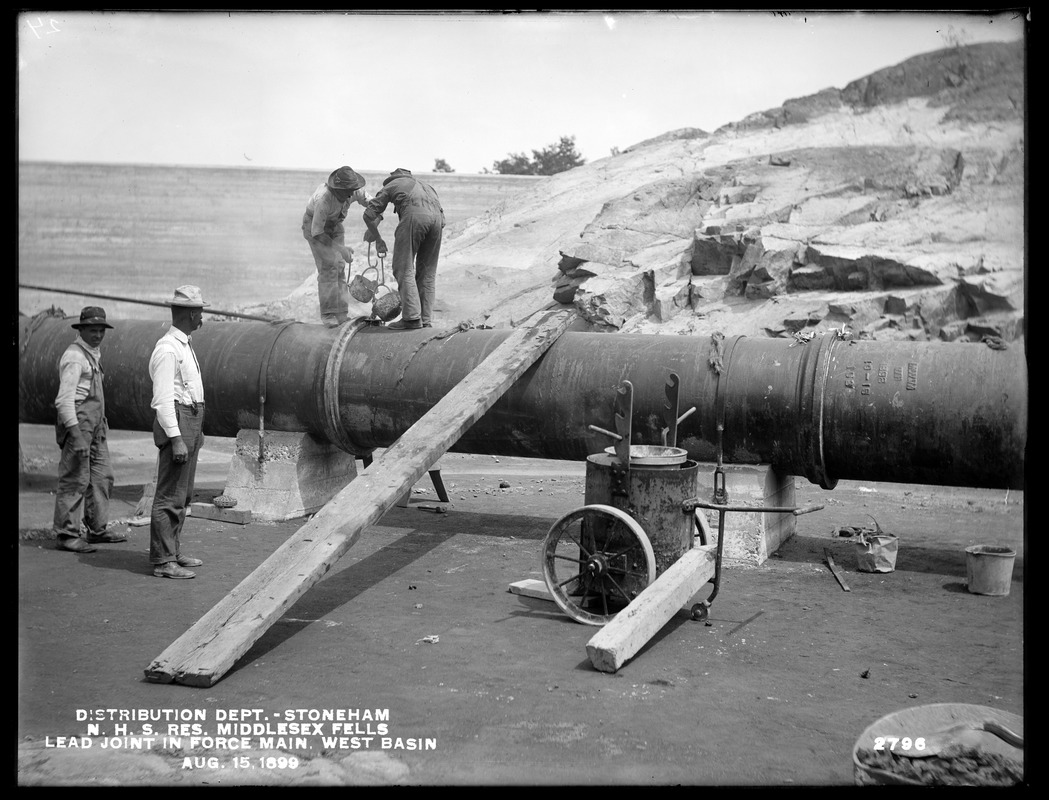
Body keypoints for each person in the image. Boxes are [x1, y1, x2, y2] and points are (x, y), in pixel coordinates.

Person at [148, 285, 209, 579]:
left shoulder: (184, 344)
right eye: (200, 312)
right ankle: (162, 561)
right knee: (169, 496)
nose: (203, 317)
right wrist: (176, 437)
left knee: (182, 496)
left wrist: (196, 433)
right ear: (190, 313)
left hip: (190, 421)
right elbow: (162, 400)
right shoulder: (167, 349)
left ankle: (173, 551)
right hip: (178, 423)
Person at [52, 306, 124, 553]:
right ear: (81, 330)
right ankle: (66, 534)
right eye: (92, 330)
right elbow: (63, 401)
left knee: (102, 477)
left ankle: (97, 529)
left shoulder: (92, 352)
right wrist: (76, 435)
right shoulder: (74, 357)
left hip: (95, 427)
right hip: (78, 427)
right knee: (75, 479)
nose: (98, 334)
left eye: (101, 330)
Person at [362, 168, 446, 329]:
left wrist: (378, 238)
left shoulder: (392, 184)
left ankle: (412, 319)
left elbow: (368, 214)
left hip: (415, 218)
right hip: (437, 223)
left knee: (403, 267)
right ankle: (425, 320)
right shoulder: (427, 187)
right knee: (427, 272)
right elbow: (442, 220)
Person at [302, 166, 369, 327]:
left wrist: (376, 217)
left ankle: (341, 313)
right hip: (315, 228)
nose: (349, 195)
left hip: (335, 225)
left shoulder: (352, 191)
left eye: (352, 190)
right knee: (328, 268)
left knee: (339, 266)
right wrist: (340, 249)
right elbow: (317, 232)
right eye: (346, 191)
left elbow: (371, 202)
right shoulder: (324, 199)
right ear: (336, 189)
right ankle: (328, 314)